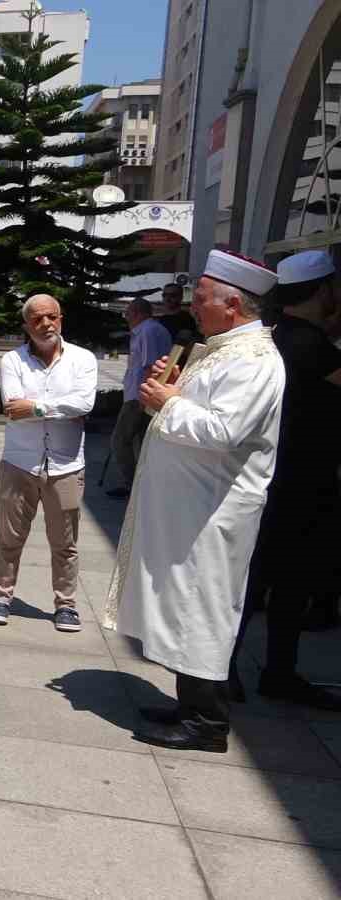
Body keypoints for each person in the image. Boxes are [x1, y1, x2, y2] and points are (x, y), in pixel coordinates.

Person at [105, 250, 285, 753]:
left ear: (232, 305)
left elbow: (223, 431)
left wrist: (170, 402)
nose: (192, 305)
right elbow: (186, 409)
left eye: (201, 298)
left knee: (202, 608)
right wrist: (161, 390)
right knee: (183, 603)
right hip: (190, 508)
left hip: (213, 513)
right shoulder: (220, 349)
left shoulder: (253, 360)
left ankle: (207, 722)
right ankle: (190, 704)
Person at [229, 250, 341, 709]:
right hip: (302, 485)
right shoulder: (312, 347)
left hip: (271, 479)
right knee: (281, 586)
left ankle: (238, 671)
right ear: (322, 291)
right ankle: (267, 672)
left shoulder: (278, 339)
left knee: (258, 583)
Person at [0, 295, 99, 634]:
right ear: (26, 325)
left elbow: (84, 403)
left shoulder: (83, 359)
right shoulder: (12, 360)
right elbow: (11, 406)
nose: (46, 324)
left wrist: (34, 408)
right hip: (20, 464)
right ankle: (1, 597)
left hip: (65, 466)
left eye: (52, 317)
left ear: (61, 318)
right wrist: (59, 408)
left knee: (65, 543)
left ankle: (66, 605)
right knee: (10, 537)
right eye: (37, 319)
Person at [109, 297, 174, 498]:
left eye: (127, 312)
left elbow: (150, 366)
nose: (125, 316)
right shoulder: (146, 330)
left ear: (137, 313)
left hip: (140, 397)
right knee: (139, 442)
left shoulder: (147, 330)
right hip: (138, 394)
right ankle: (140, 485)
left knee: (120, 440)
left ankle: (133, 486)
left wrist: (142, 398)